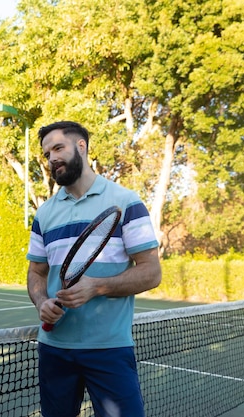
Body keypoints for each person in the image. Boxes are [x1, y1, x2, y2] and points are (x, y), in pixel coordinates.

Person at [26, 121, 162, 417]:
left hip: (109, 349)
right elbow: (36, 272)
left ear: (81, 146)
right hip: (54, 349)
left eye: (58, 148)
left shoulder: (126, 202)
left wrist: (98, 286)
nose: (52, 158)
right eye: (47, 154)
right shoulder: (45, 213)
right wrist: (41, 302)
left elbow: (151, 272)